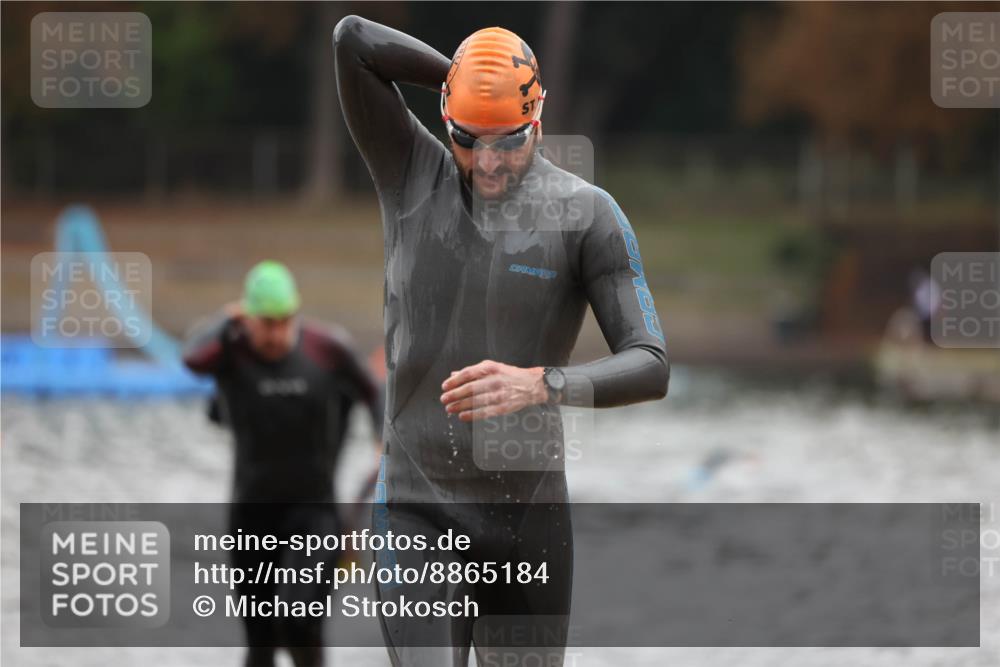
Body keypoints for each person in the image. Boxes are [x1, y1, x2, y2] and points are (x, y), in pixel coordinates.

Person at [334, 17, 669, 666]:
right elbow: (352, 41)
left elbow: (650, 363)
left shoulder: (587, 215)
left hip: (528, 523)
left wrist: (542, 382)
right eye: (468, 138)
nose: (487, 161)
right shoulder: (410, 176)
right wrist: (463, 76)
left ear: (537, 118)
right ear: (445, 119)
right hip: (417, 509)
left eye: (508, 140)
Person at [182, 260, 383, 667]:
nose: (276, 334)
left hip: (316, 516)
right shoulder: (231, 349)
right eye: (266, 323)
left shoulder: (326, 349)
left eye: (284, 321)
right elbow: (191, 358)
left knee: (298, 618)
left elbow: (374, 392)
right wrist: (226, 319)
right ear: (248, 318)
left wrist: (383, 444)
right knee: (260, 640)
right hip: (251, 517)